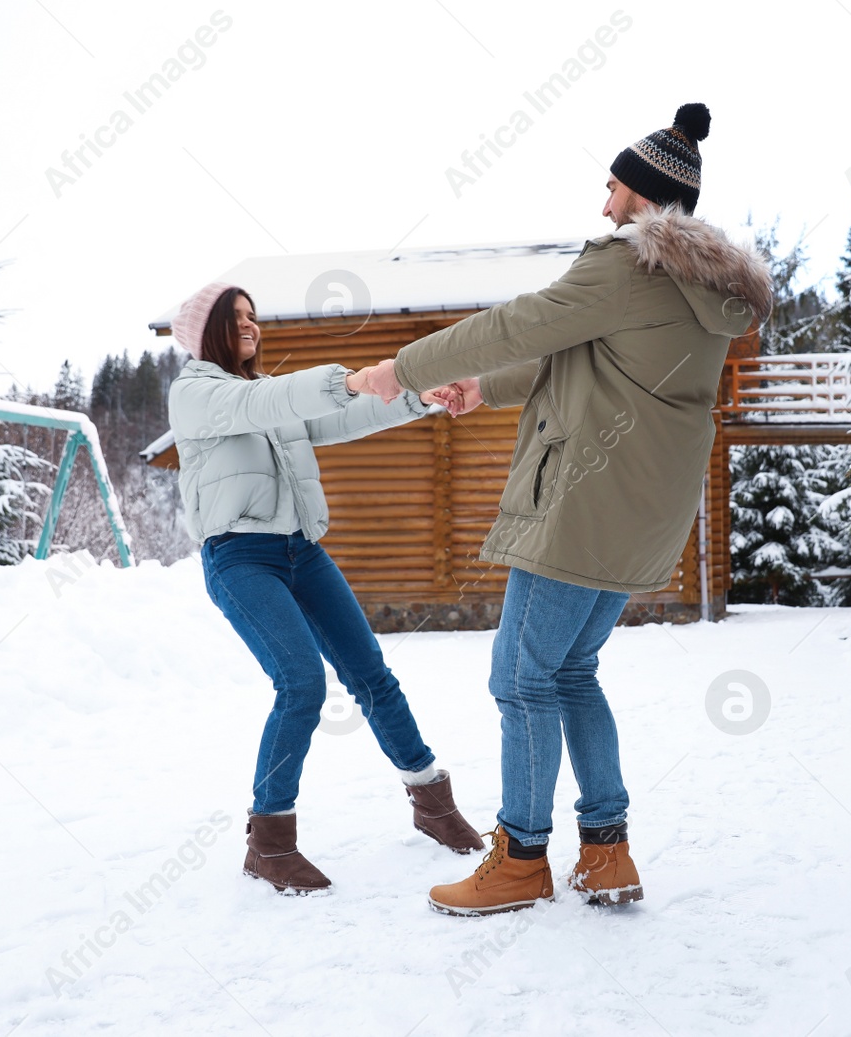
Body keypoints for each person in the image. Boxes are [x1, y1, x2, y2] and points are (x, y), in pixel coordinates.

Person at [349, 103, 773, 915]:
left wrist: (398, 369)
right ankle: (607, 853)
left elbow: (519, 324)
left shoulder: (624, 267)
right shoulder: (700, 289)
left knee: (518, 676)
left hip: (581, 507)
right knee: (569, 672)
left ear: (644, 197)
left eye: (612, 187)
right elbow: (588, 355)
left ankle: (521, 856)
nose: (603, 203)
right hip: (642, 514)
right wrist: (484, 388)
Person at [167, 281, 484, 895]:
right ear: (206, 333)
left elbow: (342, 417)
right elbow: (270, 403)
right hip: (240, 558)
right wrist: (354, 375)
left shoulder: (265, 397)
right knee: (302, 682)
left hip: (302, 552)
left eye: (254, 317)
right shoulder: (196, 393)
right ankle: (270, 842)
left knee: (371, 672)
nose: (251, 327)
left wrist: (419, 398)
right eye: (236, 319)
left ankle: (433, 804)